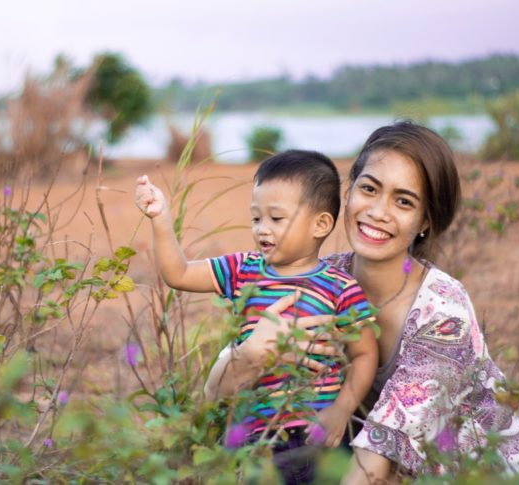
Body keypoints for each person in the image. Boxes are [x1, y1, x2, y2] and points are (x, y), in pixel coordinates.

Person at [206, 122, 519, 482]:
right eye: (369, 189)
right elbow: (215, 395)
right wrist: (250, 355)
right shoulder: (321, 280)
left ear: (425, 221)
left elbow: (380, 452)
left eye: (403, 201)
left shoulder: (443, 312)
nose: (378, 212)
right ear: (348, 193)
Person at [135, 150, 379, 483]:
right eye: (256, 218)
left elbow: (365, 353)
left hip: (316, 435)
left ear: (320, 224)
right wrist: (160, 220)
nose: (262, 229)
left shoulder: (341, 287)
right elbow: (177, 274)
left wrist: (341, 411)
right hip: (253, 438)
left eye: (276, 219)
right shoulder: (243, 269)